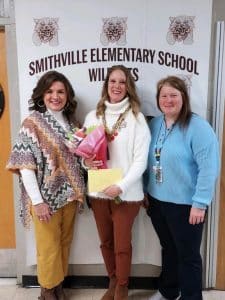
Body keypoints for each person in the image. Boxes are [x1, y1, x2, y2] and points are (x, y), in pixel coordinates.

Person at [6, 71, 85, 300]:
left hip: (69, 196)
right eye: (50, 91)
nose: (55, 96)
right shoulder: (32, 123)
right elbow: (25, 165)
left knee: (63, 244)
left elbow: (79, 159)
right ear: (42, 94)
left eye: (61, 91)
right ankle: (47, 292)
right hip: (45, 200)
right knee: (48, 248)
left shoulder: (73, 124)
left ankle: (58, 287)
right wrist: (38, 202)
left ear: (68, 95)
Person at [144, 76, 220, 300]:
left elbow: (209, 168)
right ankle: (168, 291)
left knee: (188, 257)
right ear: (158, 100)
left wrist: (200, 203)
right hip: (157, 202)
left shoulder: (198, 127)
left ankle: (191, 297)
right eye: (164, 96)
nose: (168, 100)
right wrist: (145, 189)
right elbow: (147, 161)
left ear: (183, 98)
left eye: (174, 95)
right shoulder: (155, 124)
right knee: (168, 249)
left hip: (187, 205)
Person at [83, 65, 150, 300]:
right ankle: (112, 281)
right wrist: (86, 164)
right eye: (113, 81)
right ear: (106, 84)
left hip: (126, 194)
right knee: (106, 242)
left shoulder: (136, 118)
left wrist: (120, 186)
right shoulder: (93, 116)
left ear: (128, 86)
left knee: (122, 244)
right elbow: (87, 153)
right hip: (100, 192)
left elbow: (141, 160)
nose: (117, 86)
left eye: (122, 82)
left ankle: (122, 286)